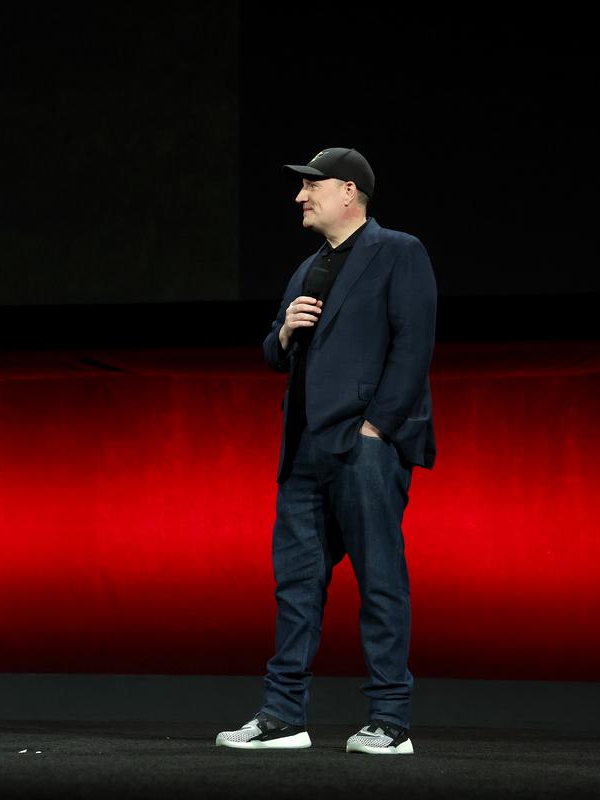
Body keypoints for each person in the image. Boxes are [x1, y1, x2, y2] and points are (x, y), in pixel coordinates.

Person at [215, 148, 436, 755]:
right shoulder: (306, 268)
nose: (299, 196)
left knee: (380, 578)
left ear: (348, 191)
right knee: (296, 584)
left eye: (310, 186)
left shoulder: (399, 252)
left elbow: (413, 347)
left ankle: (390, 719)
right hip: (307, 450)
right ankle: (284, 715)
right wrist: (283, 332)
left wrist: (378, 430)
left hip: (364, 446)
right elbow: (273, 351)